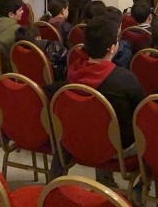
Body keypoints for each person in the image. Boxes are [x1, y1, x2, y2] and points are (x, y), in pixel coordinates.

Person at [62, 15, 145, 186]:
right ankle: (142, 186)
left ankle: (104, 178)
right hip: (118, 148)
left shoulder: (73, 71)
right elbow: (142, 115)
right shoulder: (124, 79)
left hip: (80, 137)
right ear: (112, 48)